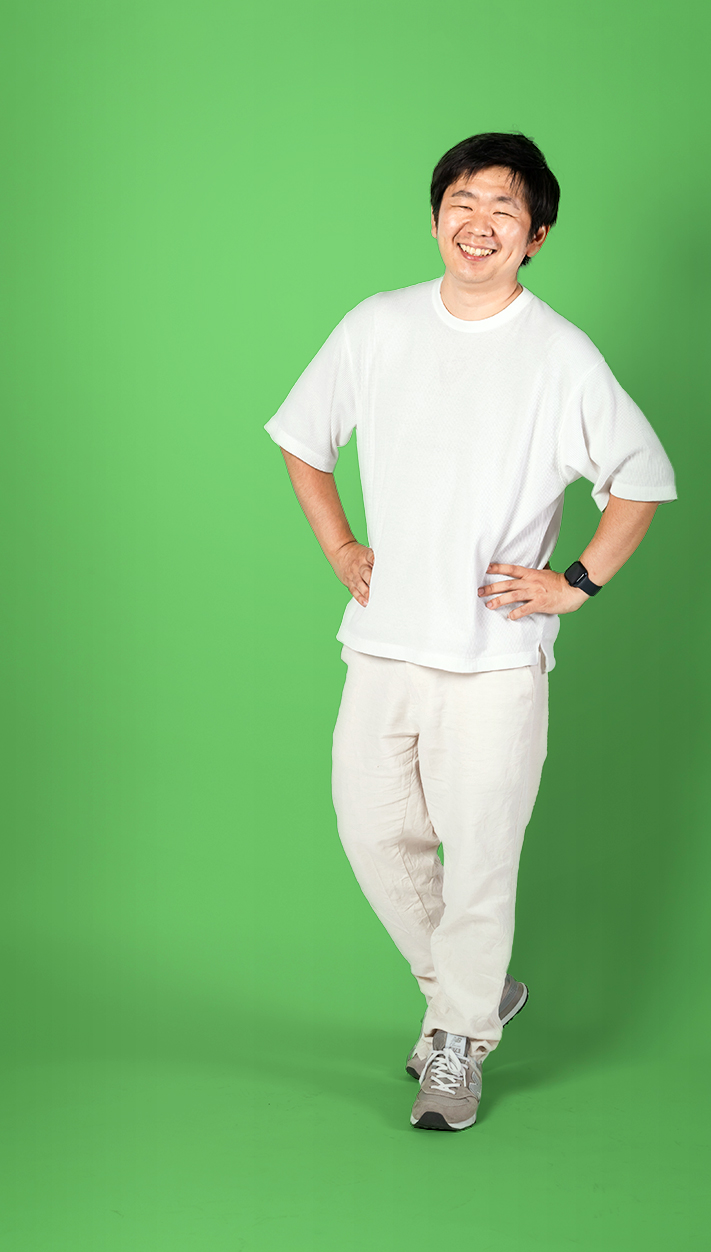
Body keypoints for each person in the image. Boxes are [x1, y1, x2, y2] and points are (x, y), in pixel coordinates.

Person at [264, 132, 676, 1131]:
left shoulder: (559, 354)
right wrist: (340, 547)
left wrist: (574, 583)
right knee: (372, 832)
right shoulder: (378, 325)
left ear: (535, 236)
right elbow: (302, 439)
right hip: (383, 641)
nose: (478, 222)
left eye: (503, 207)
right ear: (436, 216)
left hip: (495, 657)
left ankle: (456, 1043)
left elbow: (642, 479)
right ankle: (473, 993)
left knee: (481, 853)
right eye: (462, 200)